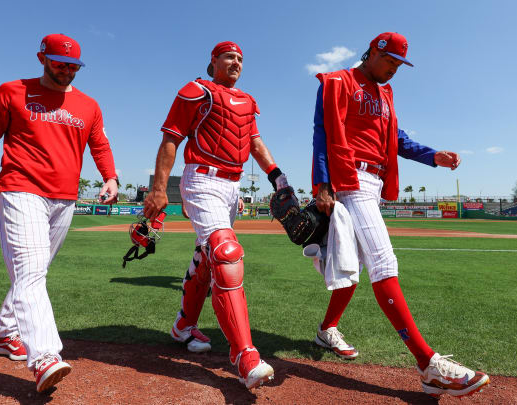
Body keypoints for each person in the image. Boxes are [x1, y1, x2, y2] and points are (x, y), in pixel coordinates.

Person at [310, 32, 490, 398]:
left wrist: (431, 155)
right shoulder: (338, 81)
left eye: (399, 64)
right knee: (383, 262)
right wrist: (322, 183)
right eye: (390, 61)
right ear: (374, 52)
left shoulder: (385, 94)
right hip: (350, 177)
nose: (395, 69)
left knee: (356, 265)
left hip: (373, 182)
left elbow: (396, 139)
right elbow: (322, 132)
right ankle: (429, 365)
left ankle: (327, 328)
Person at [0, 33, 119, 393]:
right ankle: (44, 356)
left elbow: (99, 143)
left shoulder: (89, 105)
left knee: (33, 271)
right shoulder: (11, 92)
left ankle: (6, 334)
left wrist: (111, 177)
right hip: (19, 190)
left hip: (65, 198)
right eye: (59, 63)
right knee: (30, 271)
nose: (66, 71)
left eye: (73, 66)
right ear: (42, 57)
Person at [143, 41, 289, 389]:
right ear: (214, 61)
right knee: (226, 252)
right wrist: (160, 189)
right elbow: (171, 139)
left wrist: (279, 179)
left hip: (232, 187)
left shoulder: (248, 101)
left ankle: (182, 326)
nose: (236, 62)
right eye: (229, 57)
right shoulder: (196, 90)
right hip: (202, 179)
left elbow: (254, 143)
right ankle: (245, 356)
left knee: (207, 257)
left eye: (240, 58)